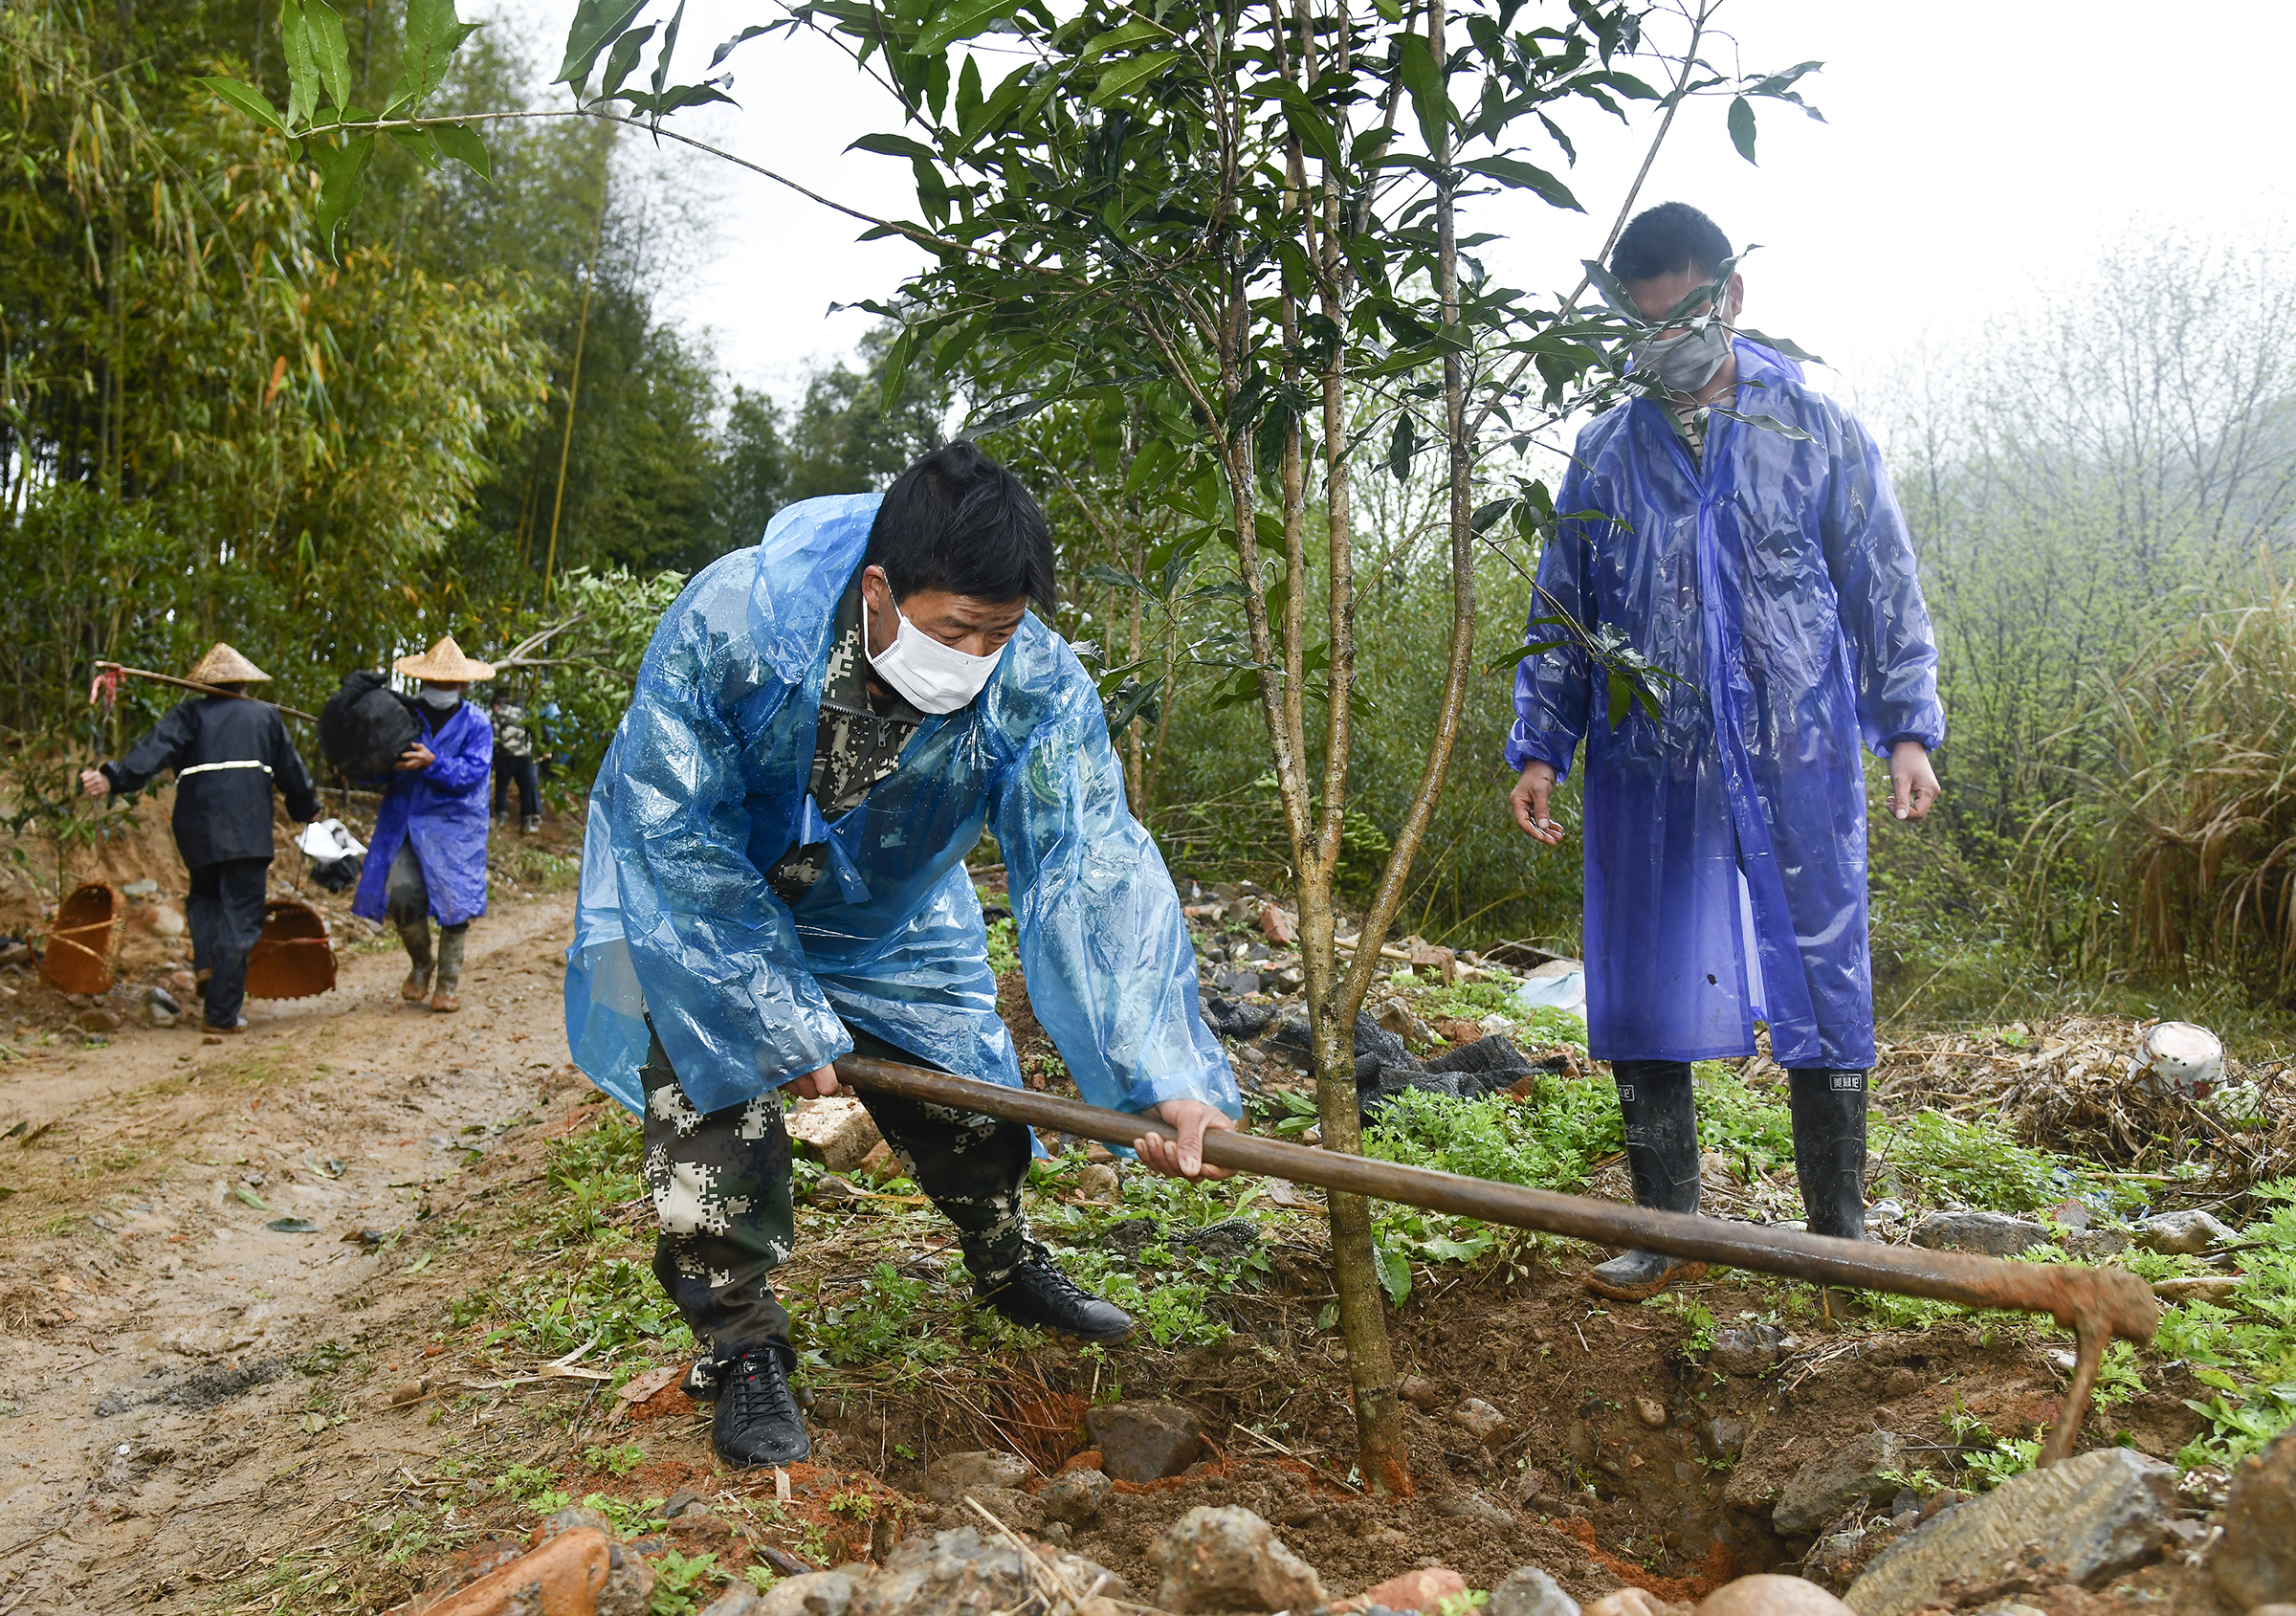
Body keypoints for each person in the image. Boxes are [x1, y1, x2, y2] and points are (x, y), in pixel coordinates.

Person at [564, 441, 1239, 1469]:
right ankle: (739, 1344)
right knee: (707, 1101)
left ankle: (1004, 1255)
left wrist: (1162, 1070)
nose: (976, 658)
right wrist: (767, 1014)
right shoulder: (735, 623)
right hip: (709, 907)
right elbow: (677, 834)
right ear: (879, 591)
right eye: (957, 629)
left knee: (968, 1097)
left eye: (999, 632)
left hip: (889, 917)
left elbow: (1087, 862)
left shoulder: (1033, 682)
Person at [1505, 204, 1944, 1301]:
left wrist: (1905, 727)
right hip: (1651, 753)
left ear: (1729, 298)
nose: (1666, 344)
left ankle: (1835, 1239)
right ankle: (1666, 1227)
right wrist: (1540, 745)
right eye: (1644, 327)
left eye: (1683, 319)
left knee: (1822, 959)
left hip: (1796, 739)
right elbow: (1564, 610)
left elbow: (1879, 580)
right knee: (1646, 962)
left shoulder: (1812, 428)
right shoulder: (1607, 450)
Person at [78, 644, 320, 1034]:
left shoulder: (187, 714)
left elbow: (151, 752)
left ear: (205, 684)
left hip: (197, 830)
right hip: (245, 832)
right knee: (241, 918)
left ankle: (208, 965)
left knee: (205, 898)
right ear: (244, 682)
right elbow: (293, 772)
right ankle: (222, 1014)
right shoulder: (265, 717)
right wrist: (306, 807)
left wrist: (113, 777)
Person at [352, 636, 495, 1014]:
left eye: (448, 683)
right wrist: (366, 767)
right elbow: (375, 761)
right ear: (421, 682)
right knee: (399, 893)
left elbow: (474, 773)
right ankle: (421, 963)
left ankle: (448, 983)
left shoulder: (478, 723)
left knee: (455, 904)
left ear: (463, 685)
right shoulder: (402, 716)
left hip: (455, 826)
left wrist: (433, 763)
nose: (441, 689)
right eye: (434, 682)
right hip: (404, 821)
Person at [490, 691, 541, 834]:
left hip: (505, 756)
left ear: (495, 705)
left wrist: (493, 757)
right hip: (523, 756)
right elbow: (532, 731)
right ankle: (526, 822)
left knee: (501, 788)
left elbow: (494, 738)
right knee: (526, 789)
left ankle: (501, 818)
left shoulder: (496, 715)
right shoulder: (521, 712)